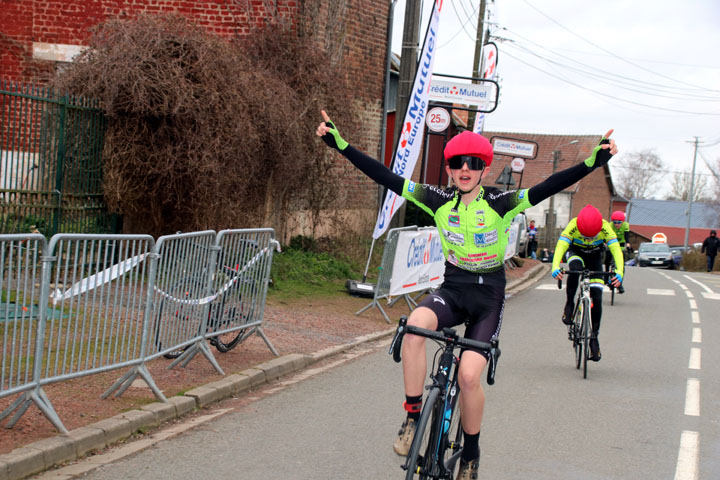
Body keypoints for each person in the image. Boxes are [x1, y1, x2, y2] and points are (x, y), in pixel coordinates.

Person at [316, 110, 618, 479]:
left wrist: (592, 161)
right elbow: (385, 177)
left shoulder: (501, 202)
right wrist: (340, 144)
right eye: (457, 163)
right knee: (413, 328)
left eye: (473, 164)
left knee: (469, 376)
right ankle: (412, 418)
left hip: (488, 297)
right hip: (453, 289)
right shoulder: (436, 198)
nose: (464, 169)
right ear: (449, 168)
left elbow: (551, 185)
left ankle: (471, 453)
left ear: (483, 169)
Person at [551, 205, 624, 362]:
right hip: (575, 252)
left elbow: (616, 250)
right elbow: (561, 246)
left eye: (592, 237)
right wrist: (555, 266)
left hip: (595, 257)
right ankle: (569, 304)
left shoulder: (605, 227)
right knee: (576, 269)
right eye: (586, 236)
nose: (589, 240)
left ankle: (594, 338)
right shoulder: (573, 225)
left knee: (597, 297)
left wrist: (620, 272)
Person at [605, 210, 630, 293]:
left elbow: (627, 237)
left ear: (623, 222)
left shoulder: (626, 226)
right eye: (615, 222)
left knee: (621, 265)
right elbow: (606, 235)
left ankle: (620, 284)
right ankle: (606, 278)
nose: (617, 225)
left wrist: (628, 244)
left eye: (619, 223)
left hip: (621, 245)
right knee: (607, 260)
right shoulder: (610, 225)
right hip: (611, 244)